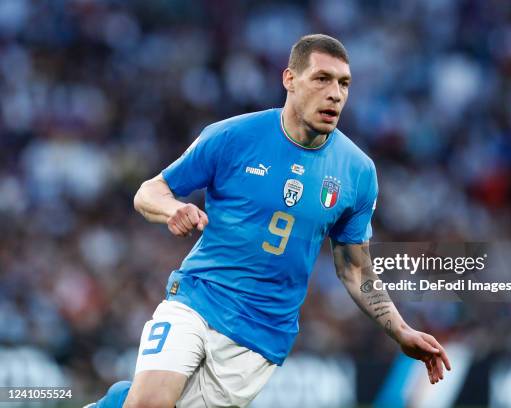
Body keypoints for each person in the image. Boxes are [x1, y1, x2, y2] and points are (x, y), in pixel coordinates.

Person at [89, 33, 450, 408]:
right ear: (289, 80)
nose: (335, 94)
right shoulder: (233, 136)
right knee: (147, 404)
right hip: (198, 297)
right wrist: (172, 209)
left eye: (344, 84)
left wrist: (401, 330)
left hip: (261, 336)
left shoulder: (357, 172)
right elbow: (149, 191)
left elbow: (355, 270)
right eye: (322, 79)